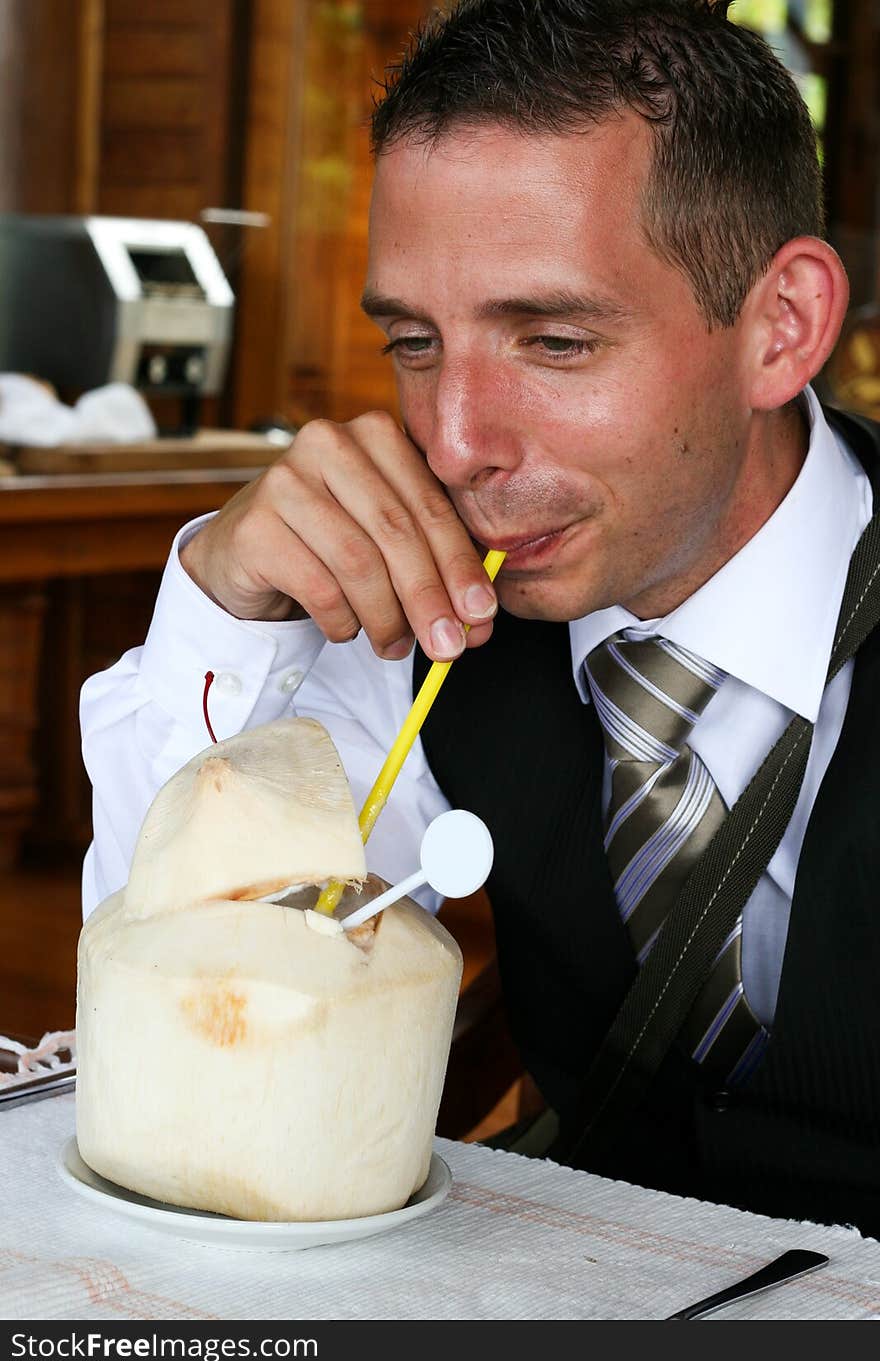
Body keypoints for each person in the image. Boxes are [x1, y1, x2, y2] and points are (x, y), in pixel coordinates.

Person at [80, 0, 880, 1234]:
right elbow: (174, 1001)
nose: (455, 444)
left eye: (554, 341)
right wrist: (227, 609)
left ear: (780, 329)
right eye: (411, 342)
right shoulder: (423, 617)